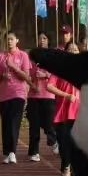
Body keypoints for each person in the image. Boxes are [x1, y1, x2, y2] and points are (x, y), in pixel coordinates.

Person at [0, 33, 31, 164]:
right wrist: (2, 75)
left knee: (14, 122)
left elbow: (27, 76)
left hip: (18, 93)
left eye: (12, 39)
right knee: (6, 123)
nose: (9, 42)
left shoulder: (23, 55)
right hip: (3, 96)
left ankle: (12, 151)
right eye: (7, 39)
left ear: (17, 40)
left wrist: (13, 66)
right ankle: (7, 152)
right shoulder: (0, 56)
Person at [51, 41, 82, 176]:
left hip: (79, 111)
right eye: (70, 49)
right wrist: (66, 95)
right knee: (64, 142)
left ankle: (74, 171)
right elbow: (50, 86)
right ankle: (66, 164)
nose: (73, 52)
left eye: (75, 50)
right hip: (63, 111)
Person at [26, 34, 58, 162]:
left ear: (48, 40)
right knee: (34, 125)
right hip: (34, 95)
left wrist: (46, 75)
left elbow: (57, 73)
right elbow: (26, 74)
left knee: (48, 123)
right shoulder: (32, 56)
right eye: (40, 38)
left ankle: (54, 140)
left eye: (44, 38)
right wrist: (32, 84)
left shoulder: (53, 55)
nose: (42, 40)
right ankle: (34, 152)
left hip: (48, 94)